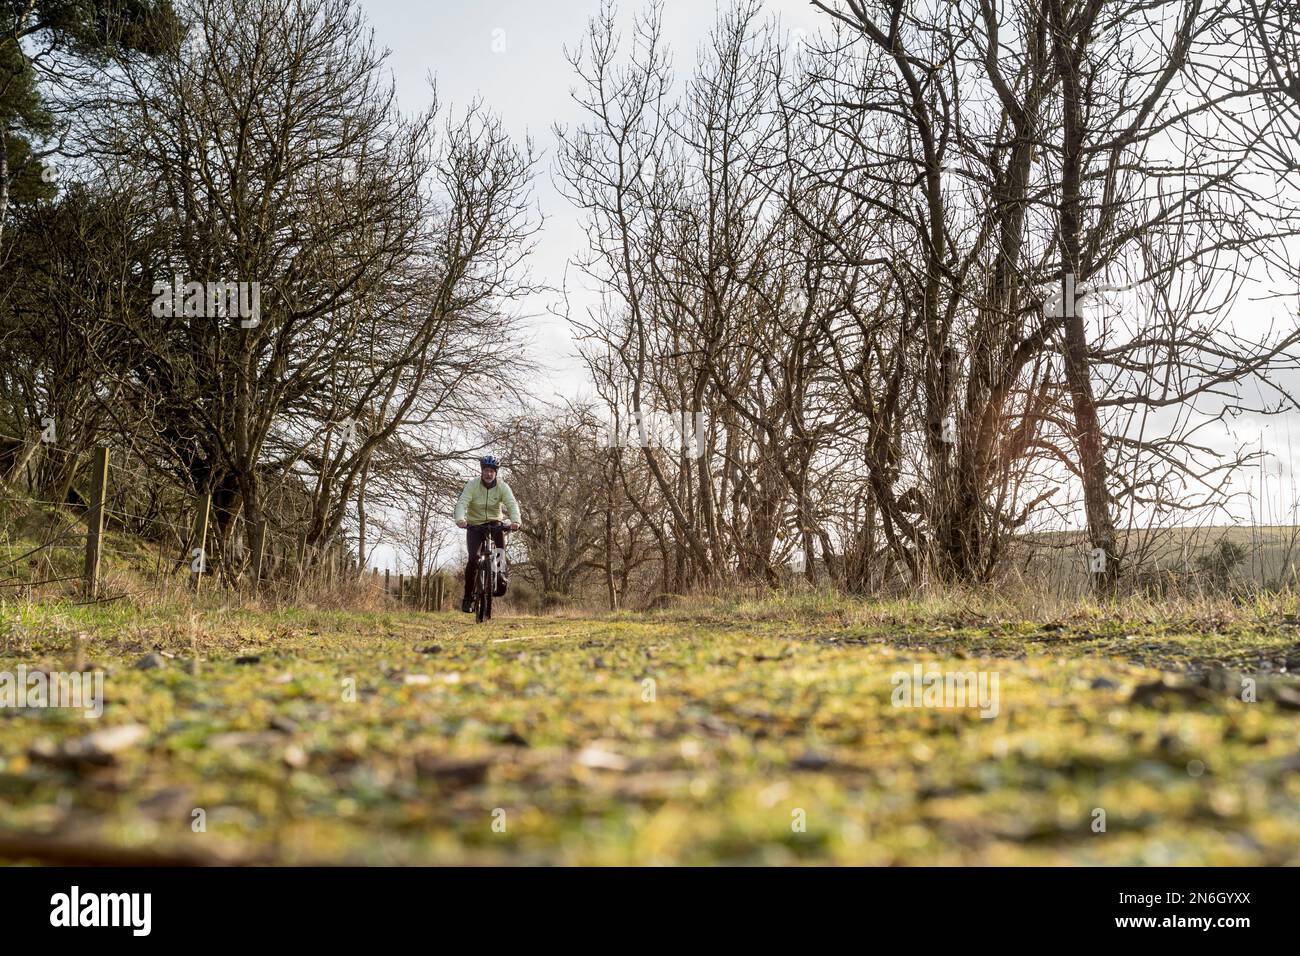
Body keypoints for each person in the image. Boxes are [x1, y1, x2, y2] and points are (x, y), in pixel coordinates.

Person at [453, 455, 521, 613]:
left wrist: (515, 521)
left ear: (496, 472)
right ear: (482, 471)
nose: (488, 474)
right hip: (474, 524)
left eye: (491, 471)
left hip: (494, 522)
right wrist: (460, 519)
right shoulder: (472, 485)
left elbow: (511, 503)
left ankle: (500, 577)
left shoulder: (502, 486)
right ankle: (468, 598)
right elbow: (462, 502)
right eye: (486, 470)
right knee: (473, 559)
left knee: (500, 553)